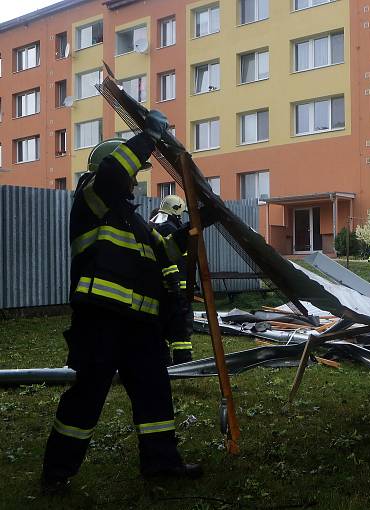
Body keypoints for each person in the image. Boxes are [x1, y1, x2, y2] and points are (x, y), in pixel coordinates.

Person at [41, 111, 211, 494]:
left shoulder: (136, 222)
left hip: (139, 326)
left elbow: (166, 250)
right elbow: (115, 175)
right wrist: (148, 136)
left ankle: (161, 464)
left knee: (154, 391)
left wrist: (198, 226)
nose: (135, 179)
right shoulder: (92, 199)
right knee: (87, 396)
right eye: (133, 172)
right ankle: (57, 472)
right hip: (100, 319)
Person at [150, 195, 194, 365]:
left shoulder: (156, 224)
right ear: (176, 211)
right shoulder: (168, 228)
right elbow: (167, 257)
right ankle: (183, 362)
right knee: (181, 328)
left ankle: (163, 361)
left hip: (163, 287)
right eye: (181, 214)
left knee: (163, 324)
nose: (181, 218)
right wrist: (174, 283)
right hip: (176, 288)